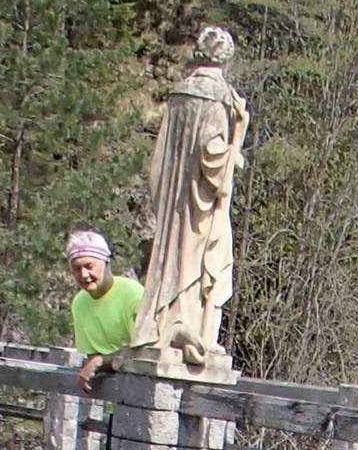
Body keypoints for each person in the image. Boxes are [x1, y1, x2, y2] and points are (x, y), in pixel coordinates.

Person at [129, 28, 249, 372]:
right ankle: (186, 328)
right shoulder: (219, 98)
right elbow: (214, 162)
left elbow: (163, 157)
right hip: (200, 210)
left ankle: (167, 322)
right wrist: (238, 136)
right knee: (206, 262)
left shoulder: (179, 95)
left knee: (174, 258)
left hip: (173, 201)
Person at [66, 229, 143, 393]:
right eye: (77, 269)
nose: (84, 275)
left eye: (89, 266)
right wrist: (98, 362)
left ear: (106, 263)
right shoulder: (80, 303)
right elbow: (92, 357)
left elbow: (143, 351)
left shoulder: (133, 294)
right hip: (117, 387)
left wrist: (101, 361)